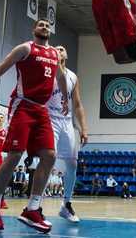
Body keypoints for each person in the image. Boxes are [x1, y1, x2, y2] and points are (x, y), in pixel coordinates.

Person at [0, 18, 69, 234]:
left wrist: (65, 97)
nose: (44, 27)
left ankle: (32, 209)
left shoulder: (54, 54)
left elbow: (61, 76)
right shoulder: (25, 49)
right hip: (23, 106)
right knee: (14, 155)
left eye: (47, 25)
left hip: (42, 110)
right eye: (41, 24)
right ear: (34, 29)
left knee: (49, 156)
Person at [48, 45, 89, 223]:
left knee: (72, 163)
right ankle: (36, 207)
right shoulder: (47, 71)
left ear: (67, 54)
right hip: (49, 118)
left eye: (62, 48)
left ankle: (66, 204)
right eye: (56, 48)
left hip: (67, 122)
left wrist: (84, 128)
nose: (59, 50)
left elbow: (78, 104)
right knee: (48, 159)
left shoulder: (73, 76)